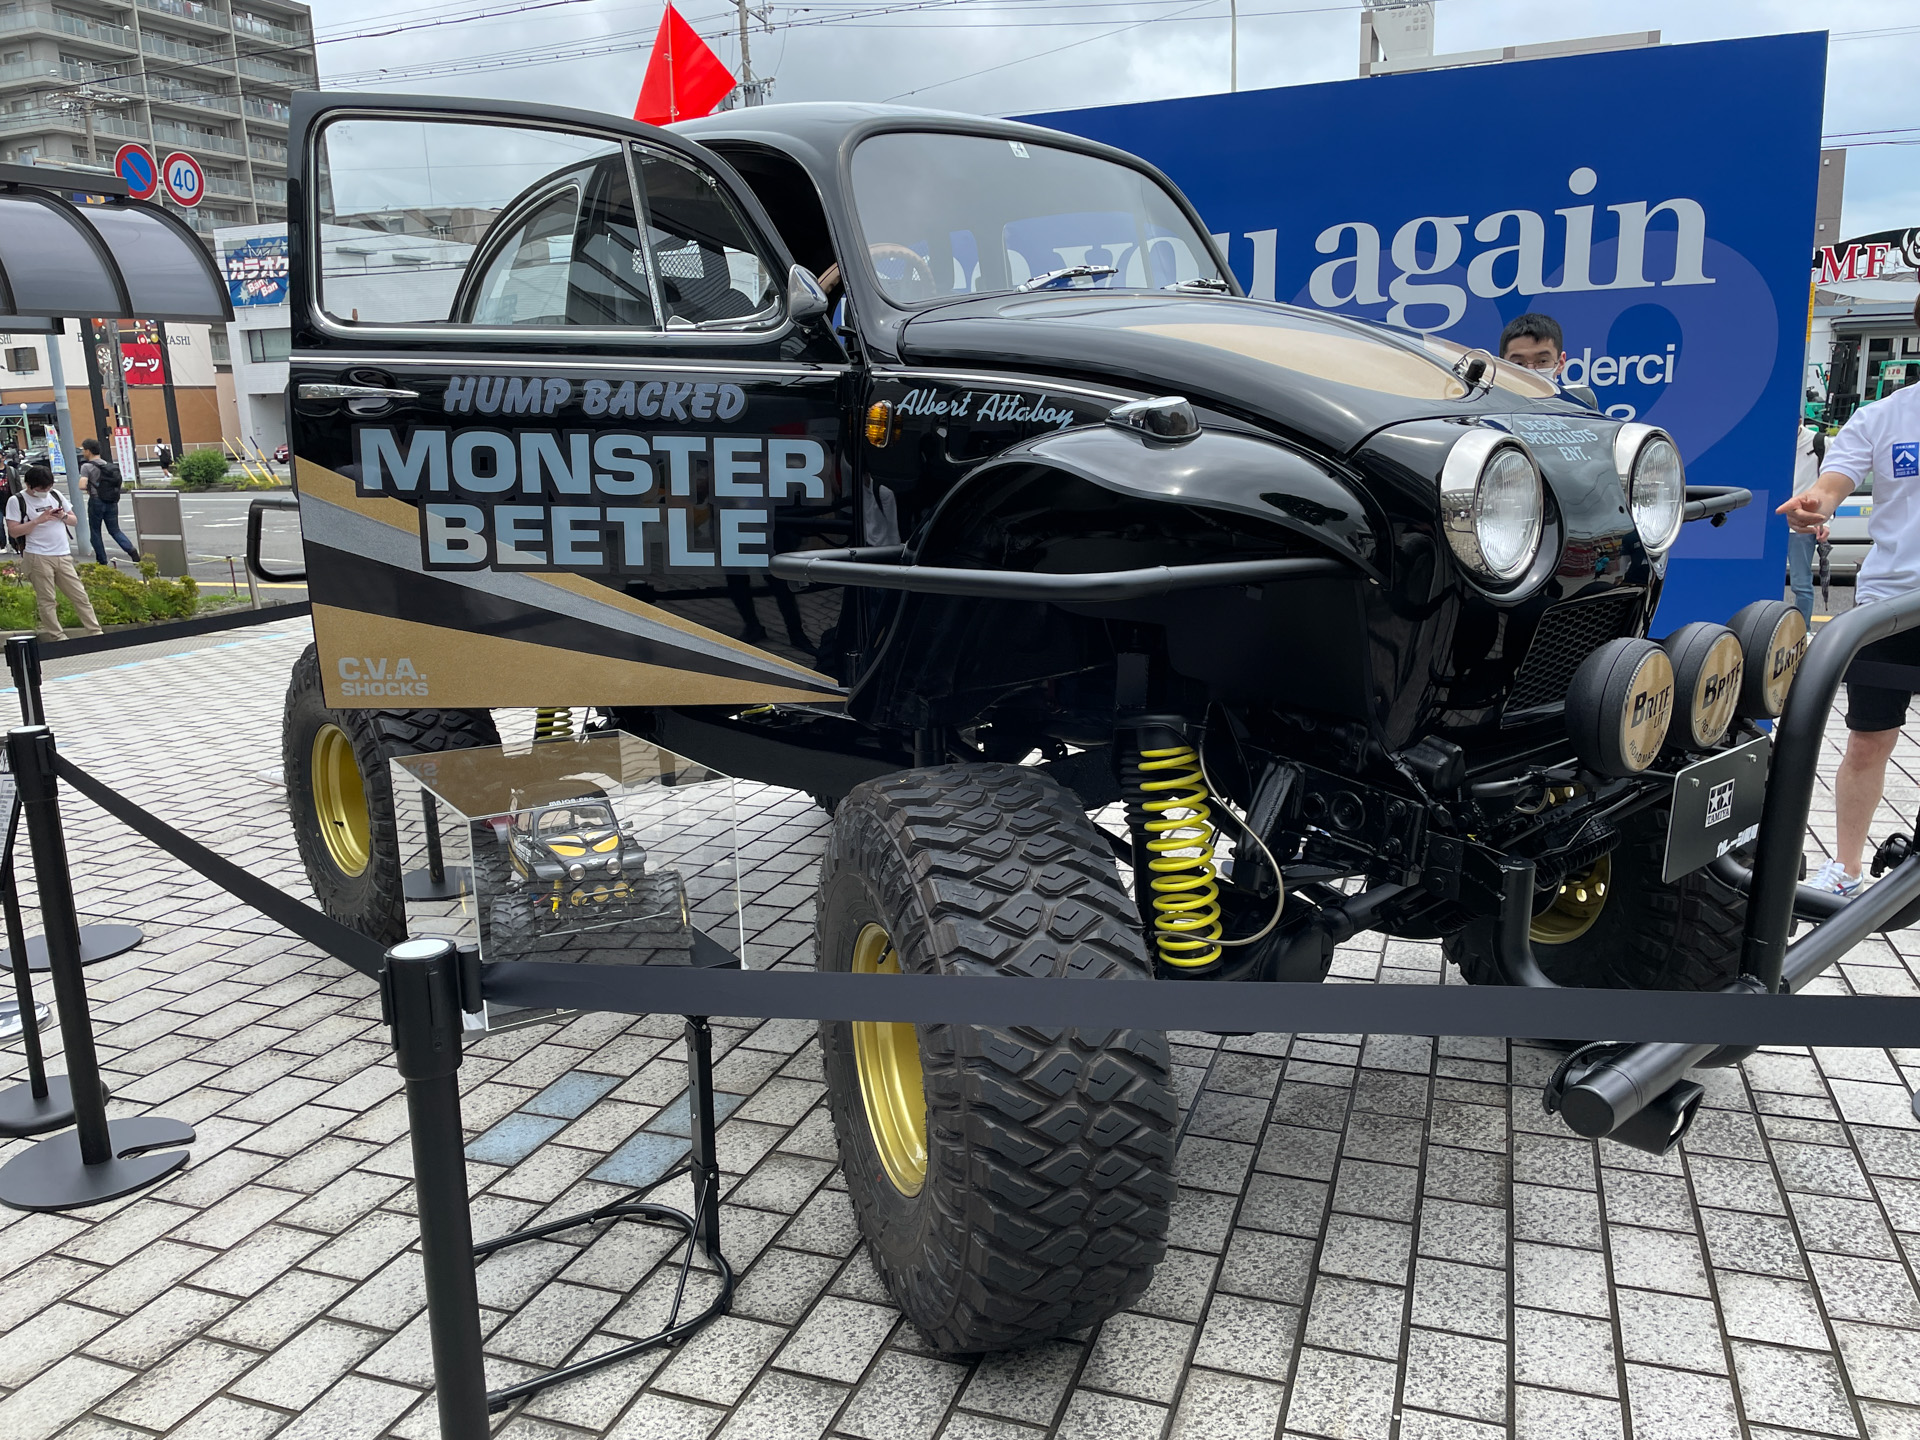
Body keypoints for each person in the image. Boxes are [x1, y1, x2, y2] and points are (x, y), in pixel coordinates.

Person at [1777, 296, 1920, 894]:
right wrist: (1816, 503)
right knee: (1867, 740)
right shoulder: (1883, 417)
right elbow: (1834, 481)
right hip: (1892, 607)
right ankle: (1846, 869)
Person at [6, 465, 102, 644]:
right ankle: (58, 637)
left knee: (80, 595)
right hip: (37, 556)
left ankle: (95, 632)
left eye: (48, 488)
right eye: (41, 489)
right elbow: (13, 531)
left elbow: (74, 520)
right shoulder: (17, 500)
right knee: (47, 600)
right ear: (28, 485)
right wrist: (38, 521)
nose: (45, 492)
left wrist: (62, 516)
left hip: (62, 554)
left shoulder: (55, 495)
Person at [1499, 312, 1599, 407]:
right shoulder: (1490, 414)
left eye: (1542, 361)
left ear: (1560, 363)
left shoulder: (1578, 412)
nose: (1530, 372)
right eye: (1519, 363)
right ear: (1500, 366)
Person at [1786, 419, 1827, 624]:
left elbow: (1829, 487)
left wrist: (1825, 520)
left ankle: (1803, 629)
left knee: (1801, 584)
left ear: (1800, 420)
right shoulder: (1772, 441)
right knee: (1766, 578)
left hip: (1801, 525)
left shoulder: (1819, 443)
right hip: (1773, 520)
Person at [78, 438, 139, 566]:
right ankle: (132, 551)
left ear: (88, 451)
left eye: (84, 450)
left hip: (96, 501)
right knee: (115, 530)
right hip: (111, 501)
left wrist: (89, 486)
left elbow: (82, 485)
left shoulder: (86, 467)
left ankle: (102, 561)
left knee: (95, 531)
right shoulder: (109, 466)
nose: (83, 452)